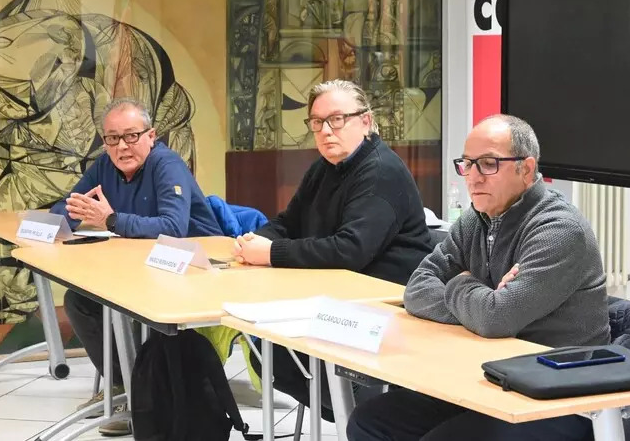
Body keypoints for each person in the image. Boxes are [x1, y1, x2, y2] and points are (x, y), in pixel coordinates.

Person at [347, 114, 610, 441]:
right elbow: (416, 289)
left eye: (488, 164)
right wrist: (484, 300)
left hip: (556, 394)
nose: (472, 177)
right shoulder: (477, 218)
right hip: (490, 377)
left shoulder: (559, 230)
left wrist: (461, 281)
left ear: (526, 169)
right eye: (467, 164)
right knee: (370, 421)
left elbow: (496, 318)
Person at [234, 79, 433, 419]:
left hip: (381, 309)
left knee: (277, 353)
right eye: (317, 122)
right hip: (337, 297)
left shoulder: (381, 171)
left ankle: (362, 418)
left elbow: (351, 250)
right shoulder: (324, 168)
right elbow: (289, 222)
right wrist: (253, 241)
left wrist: (270, 253)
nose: (326, 131)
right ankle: (349, 418)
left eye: (337, 119)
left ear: (365, 121)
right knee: (265, 350)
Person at [51, 98, 222, 436]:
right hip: (142, 264)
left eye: (131, 135)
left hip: (192, 268)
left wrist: (111, 219)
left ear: (151, 136)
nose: (122, 146)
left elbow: (173, 227)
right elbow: (69, 207)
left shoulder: (166, 164)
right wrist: (64, 218)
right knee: (80, 300)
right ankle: (124, 389)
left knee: (133, 306)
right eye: (112, 138)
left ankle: (147, 398)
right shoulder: (104, 166)